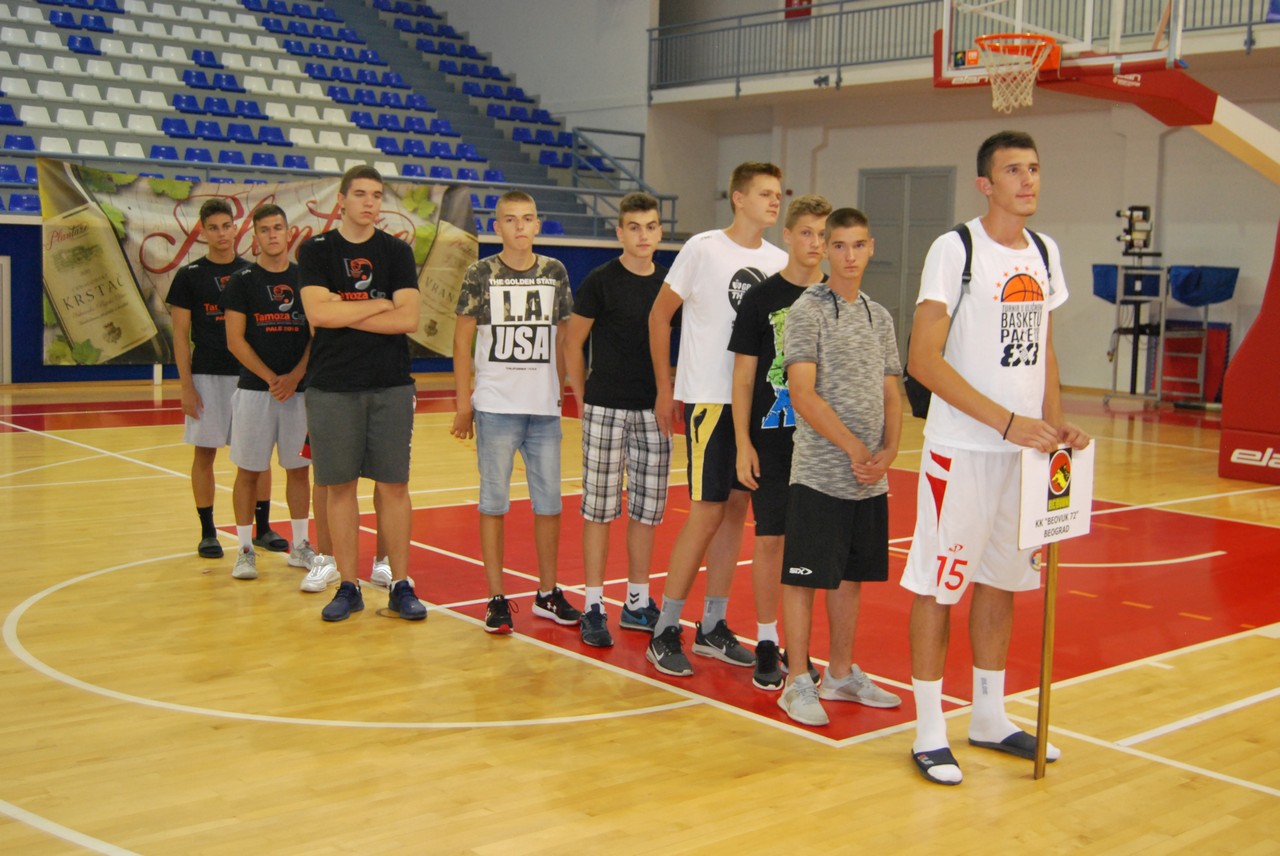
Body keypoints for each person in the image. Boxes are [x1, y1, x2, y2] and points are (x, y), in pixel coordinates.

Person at [902, 131, 1089, 784]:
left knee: (1004, 582)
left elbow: (1044, 350)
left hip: (1023, 455)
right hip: (963, 449)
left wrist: (1054, 425)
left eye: (1034, 168)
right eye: (1013, 170)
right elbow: (922, 360)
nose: (1027, 180)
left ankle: (988, 716)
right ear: (986, 184)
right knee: (940, 585)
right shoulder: (955, 249)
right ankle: (929, 729)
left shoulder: (1045, 252)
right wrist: (1007, 422)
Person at [646, 162, 788, 676]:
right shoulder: (703, 248)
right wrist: (665, 388)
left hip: (756, 401)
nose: (775, 201)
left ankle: (712, 625)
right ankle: (665, 630)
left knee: (735, 510)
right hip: (710, 398)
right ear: (738, 198)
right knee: (706, 512)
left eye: (778, 194)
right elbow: (659, 316)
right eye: (765, 193)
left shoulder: (779, 260)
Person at [774, 207, 904, 725]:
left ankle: (842, 674)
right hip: (821, 474)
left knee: (852, 577)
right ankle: (796, 681)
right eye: (840, 245)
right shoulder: (807, 310)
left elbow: (891, 393)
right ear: (825, 249)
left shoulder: (880, 316)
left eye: (859, 245)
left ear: (871, 248)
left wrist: (889, 451)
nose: (850, 256)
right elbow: (802, 394)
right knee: (804, 577)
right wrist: (853, 448)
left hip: (869, 478)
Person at [298, 165, 425, 623]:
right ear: (341, 200)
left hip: (391, 384)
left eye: (376, 195)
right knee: (340, 488)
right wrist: (379, 303)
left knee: (394, 487)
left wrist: (343, 308)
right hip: (332, 386)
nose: (370, 202)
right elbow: (318, 314)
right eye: (360, 194)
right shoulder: (316, 250)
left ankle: (400, 584)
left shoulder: (397, 252)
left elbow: (408, 319)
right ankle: (348, 585)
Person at [451, 190, 582, 634]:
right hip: (495, 407)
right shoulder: (480, 273)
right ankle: (496, 598)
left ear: (538, 224)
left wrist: (561, 392)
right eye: (511, 219)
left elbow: (565, 336)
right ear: (498, 227)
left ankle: (547, 593)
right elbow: (462, 341)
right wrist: (463, 403)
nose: (520, 226)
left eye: (527, 218)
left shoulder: (554, 272)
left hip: (543, 411)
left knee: (550, 504)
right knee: (494, 503)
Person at [728, 194, 831, 689]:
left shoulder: (837, 297)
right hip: (771, 436)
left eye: (823, 235)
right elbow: (744, 377)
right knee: (770, 540)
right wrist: (742, 443)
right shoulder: (761, 298)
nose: (815, 243)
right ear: (787, 236)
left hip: (823, 442)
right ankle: (767, 640)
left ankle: (800, 648)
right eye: (806, 233)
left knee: (809, 546)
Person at [563, 193, 671, 647]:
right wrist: (583, 398)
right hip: (606, 408)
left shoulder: (669, 285)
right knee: (599, 509)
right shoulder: (600, 281)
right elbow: (573, 343)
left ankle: (637, 601)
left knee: (647, 510)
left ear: (660, 232)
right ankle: (593, 605)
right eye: (634, 227)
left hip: (654, 411)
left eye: (651, 226)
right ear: (620, 232)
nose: (643, 235)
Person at [167, 198, 282, 558]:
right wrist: (186, 386)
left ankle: (263, 528)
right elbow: (180, 336)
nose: (221, 233)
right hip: (207, 377)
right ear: (202, 231)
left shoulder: (251, 273)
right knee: (205, 454)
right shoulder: (189, 276)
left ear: (236, 229)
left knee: (258, 455)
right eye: (213, 227)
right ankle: (208, 532)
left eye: (226, 226)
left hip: (250, 377)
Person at [221, 204, 315, 581]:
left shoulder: (307, 278)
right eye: (265, 230)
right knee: (248, 471)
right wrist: (273, 378)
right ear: (255, 236)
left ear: (289, 233)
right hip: (255, 393)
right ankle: (245, 550)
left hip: (300, 393)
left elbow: (317, 335)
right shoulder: (242, 281)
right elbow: (234, 340)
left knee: (299, 471)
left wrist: (295, 377)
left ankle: (302, 545)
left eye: (278, 228)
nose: (273, 235)